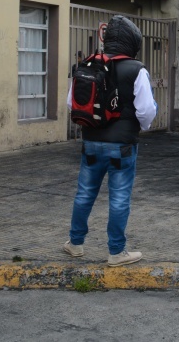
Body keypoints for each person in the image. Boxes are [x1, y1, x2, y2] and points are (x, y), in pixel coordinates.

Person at [64, 15, 156, 266]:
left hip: (91, 143)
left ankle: (75, 244)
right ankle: (116, 252)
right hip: (123, 147)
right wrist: (141, 128)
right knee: (118, 198)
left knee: (84, 194)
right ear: (132, 43)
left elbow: (71, 104)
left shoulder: (87, 66)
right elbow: (146, 110)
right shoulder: (137, 70)